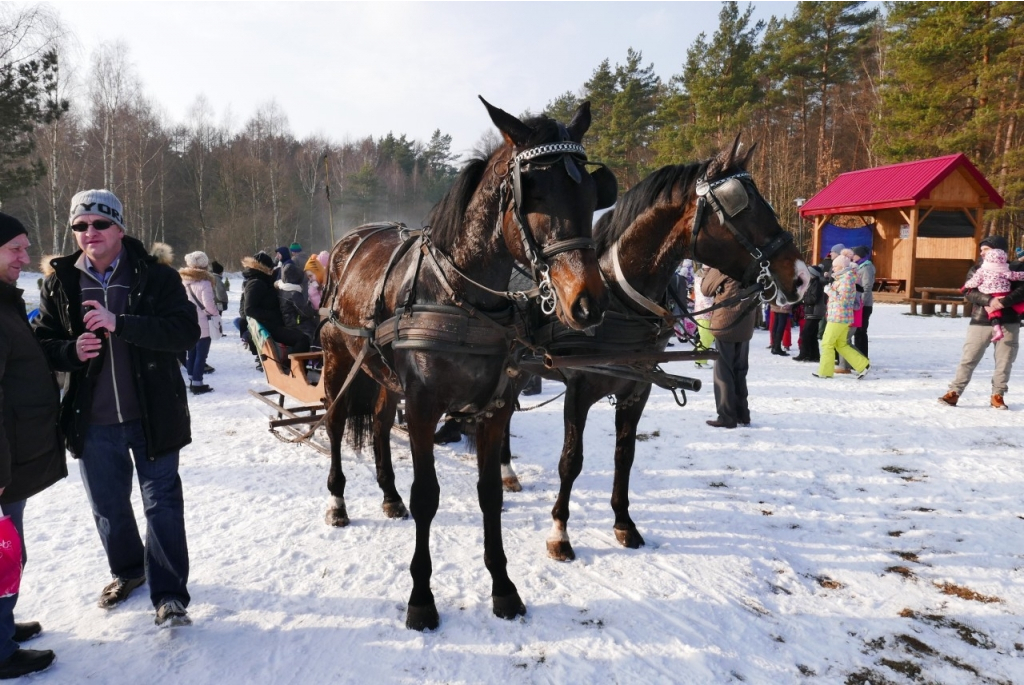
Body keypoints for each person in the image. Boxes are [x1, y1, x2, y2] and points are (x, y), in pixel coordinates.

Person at [34, 189, 199, 627]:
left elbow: (185, 331)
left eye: (100, 223)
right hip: (94, 421)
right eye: (80, 226)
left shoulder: (155, 276)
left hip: (153, 415)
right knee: (108, 506)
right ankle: (127, 572)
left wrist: (119, 323)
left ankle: (169, 596)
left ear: (120, 228)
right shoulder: (60, 282)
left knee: (162, 504)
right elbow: (44, 345)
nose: (90, 233)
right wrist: (72, 350)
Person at [0, 213, 71, 677]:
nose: (26, 258)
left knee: (10, 549)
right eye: (15, 250)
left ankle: (1, 627)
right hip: (3, 463)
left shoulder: (5, 302)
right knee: (4, 552)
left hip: (14, 455)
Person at [940, 235, 1024, 410]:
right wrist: (989, 300)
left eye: (985, 249)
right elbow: (969, 291)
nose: (981, 252)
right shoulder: (977, 269)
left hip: (1008, 322)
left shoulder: (1014, 268)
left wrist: (1003, 302)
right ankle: (954, 392)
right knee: (969, 358)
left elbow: (1022, 290)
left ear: (997, 250)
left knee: (1004, 360)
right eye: (981, 249)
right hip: (980, 320)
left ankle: (998, 395)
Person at [701, 268, 754, 428]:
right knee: (740, 370)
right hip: (745, 322)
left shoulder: (724, 263)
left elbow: (706, 289)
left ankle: (727, 416)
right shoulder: (752, 262)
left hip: (726, 322)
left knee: (723, 372)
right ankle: (742, 414)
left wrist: (708, 270)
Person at [241, 252, 310, 361]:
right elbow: (249, 309)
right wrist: (274, 315)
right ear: (264, 268)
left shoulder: (260, 280)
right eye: (271, 268)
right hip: (269, 327)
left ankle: (293, 367)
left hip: (272, 324)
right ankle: (291, 368)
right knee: (303, 339)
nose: (273, 270)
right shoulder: (256, 283)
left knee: (302, 335)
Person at [814, 252, 870, 379]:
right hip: (840, 316)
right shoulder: (843, 278)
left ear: (843, 267)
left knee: (827, 343)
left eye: (835, 266)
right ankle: (863, 365)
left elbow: (843, 300)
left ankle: (825, 372)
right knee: (841, 344)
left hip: (839, 316)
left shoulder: (846, 280)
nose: (833, 268)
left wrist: (829, 291)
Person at [960, 247, 1024, 342]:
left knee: (993, 313)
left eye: (985, 249)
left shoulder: (982, 270)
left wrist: (965, 287)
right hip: (1004, 292)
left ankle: (997, 329)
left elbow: (974, 282)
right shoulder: (1005, 269)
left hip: (991, 293)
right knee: (1018, 305)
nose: (982, 253)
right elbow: (1015, 276)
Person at [179, 251, 219, 394]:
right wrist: (215, 314)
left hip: (188, 321)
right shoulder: (205, 282)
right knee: (201, 354)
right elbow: (208, 305)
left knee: (191, 352)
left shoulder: (182, 281)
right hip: (202, 322)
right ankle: (197, 383)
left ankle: (191, 378)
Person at [793, 264, 825, 362]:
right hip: (812, 311)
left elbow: (814, 298)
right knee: (812, 335)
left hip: (814, 312)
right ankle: (814, 355)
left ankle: (804, 354)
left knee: (805, 334)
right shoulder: (812, 282)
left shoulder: (817, 284)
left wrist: (803, 300)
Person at [851, 246, 875, 357]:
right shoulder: (860, 267)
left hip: (864, 304)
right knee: (858, 331)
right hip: (860, 303)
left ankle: (862, 356)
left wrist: (861, 303)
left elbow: (867, 286)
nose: (852, 256)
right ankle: (858, 356)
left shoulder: (866, 268)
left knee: (861, 331)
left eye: (854, 254)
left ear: (859, 255)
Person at [692, 264, 716, 368]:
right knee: (706, 337)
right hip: (705, 311)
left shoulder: (700, 277)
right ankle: (700, 361)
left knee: (707, 337)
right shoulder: (703, 278)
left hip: (703, 310)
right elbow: (705, 296)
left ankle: (700, 359)